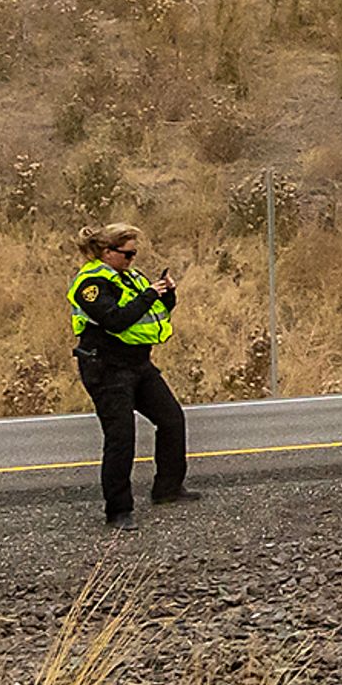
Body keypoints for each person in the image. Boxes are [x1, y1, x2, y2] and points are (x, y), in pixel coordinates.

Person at [68, 222, 195, 526]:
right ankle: (118, 509)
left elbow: (154, 314)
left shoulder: (131, 277)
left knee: (171, 418)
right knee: (121, 436)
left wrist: (167, 294)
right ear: (106, 252)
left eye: (134, 254)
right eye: (127, 254)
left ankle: (168, 488)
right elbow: (115, 320)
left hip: (138, 364)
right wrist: (149, 295)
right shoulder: (89, 284)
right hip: (106, 368)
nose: (132, 260)